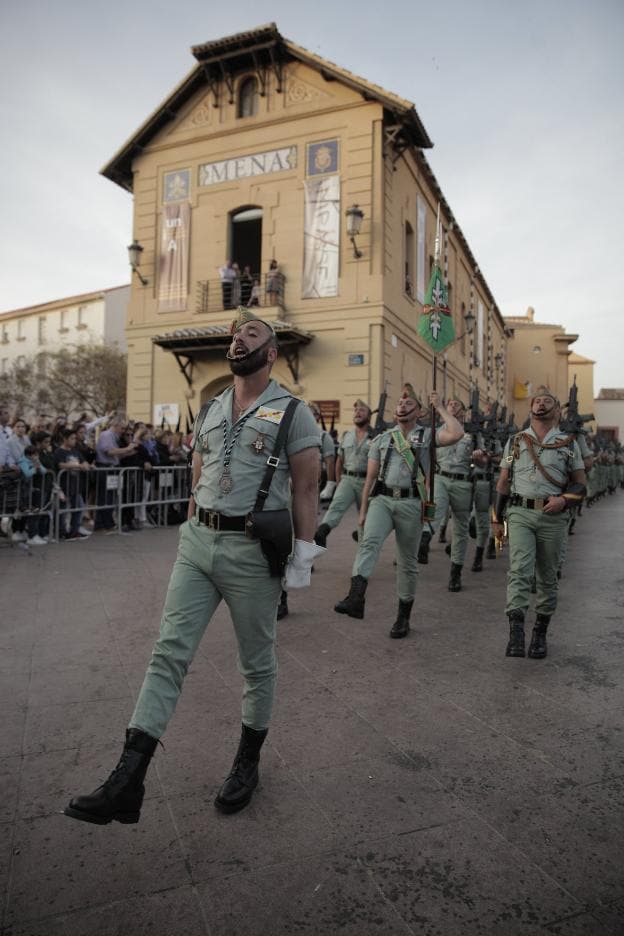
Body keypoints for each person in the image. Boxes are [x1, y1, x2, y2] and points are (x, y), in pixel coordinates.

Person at [65, 308, 322, 826]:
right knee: (167, 653)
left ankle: (247, 762)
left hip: (253, 554)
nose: (239, 338)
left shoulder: (294, 413)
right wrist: (188, 527)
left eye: (253, 334)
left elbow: (306, 487)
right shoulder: (210, 407)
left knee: (256, 663)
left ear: (270, 353)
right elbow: (198, 475)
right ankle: (128, 778)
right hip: (198, 544)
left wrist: (303, 552)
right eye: (237, 333)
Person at [334, 384, 463, 638]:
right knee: (368, 543)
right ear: (394, 413)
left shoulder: (427, 436)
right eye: (399, 405)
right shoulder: (382, 439)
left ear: (419, 412)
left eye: (409, 405)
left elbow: (456, 433)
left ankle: (403, 617)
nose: (402, 407)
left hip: (412, 503)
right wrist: (362, 511)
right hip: (382, 500)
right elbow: (370, 480)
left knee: (407, 562)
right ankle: (356, 597)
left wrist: (439, 408)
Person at [491, 387, 586, 660]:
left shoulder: (568, 445)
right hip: (520, 513)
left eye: (547, 401)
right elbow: (503, 481)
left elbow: (580, 484)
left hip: (553, 517)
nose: (541, 403)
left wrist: (564, 501)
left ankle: (540, 634)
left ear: (556, 411)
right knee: (519, 570)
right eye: (537, 400)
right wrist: (497, 519)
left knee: (547, 576)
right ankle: (516, 633)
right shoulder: (515, 442)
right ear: (530, 409)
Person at [417, 398, 487, 592]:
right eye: (450, 404)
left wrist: (479, 458)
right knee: (434, 508)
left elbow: (482, 462)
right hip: (441, 478)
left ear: (463, 412)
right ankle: (424, 539)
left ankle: (455, 573)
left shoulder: (473, 434)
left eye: (457, 404)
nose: (453, 406)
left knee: (461, 529)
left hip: (463, 482)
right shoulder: (438, 431)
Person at [276, 401, 334, 620]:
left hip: (304, 490)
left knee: (299, 537)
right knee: (281, 545)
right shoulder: (286, 431)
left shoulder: (322, 437)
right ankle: (281, 598)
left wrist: (330, 483)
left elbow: (326, 463)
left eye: (312, 414)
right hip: (282, 492)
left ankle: (303, 564)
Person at [314, 399, 374, 548]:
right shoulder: (347, 435)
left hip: (368, 481)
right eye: (356, 410)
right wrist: (339, 482)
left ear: (369, 416)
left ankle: (362, 540)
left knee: (366, 515)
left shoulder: (376, 436)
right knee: (336, 506)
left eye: (362, 410)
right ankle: (322, 531)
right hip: (348, 478)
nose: (358, 412)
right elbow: (339, 461)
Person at [94, 416, 137, 531]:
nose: (123, 431)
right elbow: (109, 452)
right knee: (104, 497)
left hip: (113, 468)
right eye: (122, 428)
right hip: (105, 468)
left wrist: (128, 452)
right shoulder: (107, 435)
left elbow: (116, 455)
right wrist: (127, 449)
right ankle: (101, 523)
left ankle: (108, 522)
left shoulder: (114, 437)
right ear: (115, 426)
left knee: (111, 497)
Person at [53, 429, 91, 539]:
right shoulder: (59, 451)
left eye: (75, 438)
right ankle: (60, 531)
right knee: (62, 509)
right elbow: (61, 465)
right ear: (65, 439)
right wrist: (79, 466)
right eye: (72, 438)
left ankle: (74, 530)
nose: (74, 441)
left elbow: (84, 461)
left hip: (75, 484)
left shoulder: (75, 451)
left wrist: (85, 465)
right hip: (64, 484)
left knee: (79, 507)